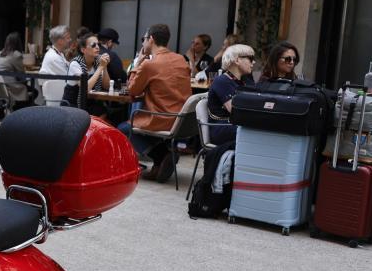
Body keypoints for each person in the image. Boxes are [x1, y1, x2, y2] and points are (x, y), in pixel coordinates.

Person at [119, 23, 191, 182]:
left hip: (161, 118)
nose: (143, 43)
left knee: (123, 128)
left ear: (151, 39)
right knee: (135, 121)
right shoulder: (181, 60)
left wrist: (138, 63)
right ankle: (159, 163)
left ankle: (162, 155)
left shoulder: (150, 64)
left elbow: (132, 90)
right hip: (181, 119)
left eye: (144, 39)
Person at [205, 44, 257, 150]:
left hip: (235, 125)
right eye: (250, 58)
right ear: (237, 60)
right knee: (260, 133)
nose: (254, 62)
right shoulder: (222, 81)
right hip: (222, 128)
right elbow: (236, 111)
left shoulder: (244, 80)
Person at [62, 32, 110, 108]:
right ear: (83, 50)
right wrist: (100, 67)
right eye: (93, 45)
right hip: (72, 106)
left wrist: (105, 66)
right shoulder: (75, 64)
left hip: (89, 104)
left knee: (106, 112)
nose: (97, 47)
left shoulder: (98, 62)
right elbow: (85, 88)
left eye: (98, 44)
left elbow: (107, 86)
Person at [0, 31, 32, 111]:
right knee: (34, 91)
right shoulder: (16, 54)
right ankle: (21, 112)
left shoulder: (0, 53)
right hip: (11, 87)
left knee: (29, 89)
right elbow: (21, 74)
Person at [39, 25, 73, 105]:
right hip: (61, 100)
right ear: (60, 41)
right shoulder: (54, 57)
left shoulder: (58, 53)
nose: (70, 40)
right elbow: (70, 77)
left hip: (61, 96)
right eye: (68, 38)